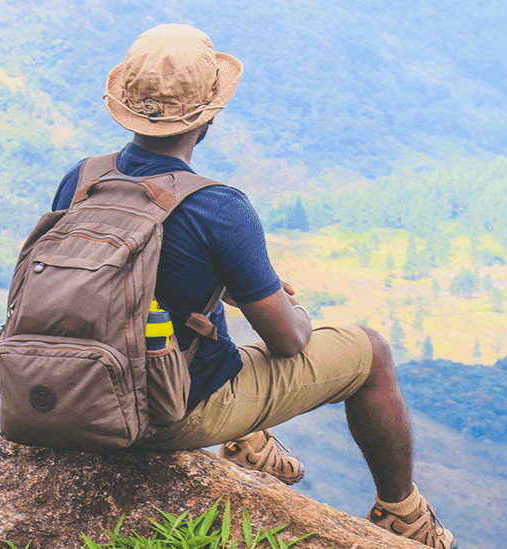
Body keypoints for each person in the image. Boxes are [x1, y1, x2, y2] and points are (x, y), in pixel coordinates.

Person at [52, 24, 456, 548]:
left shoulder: (81, 178)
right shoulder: (218, 206)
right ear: (209, 116)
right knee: (371, 353)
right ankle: (403, 514)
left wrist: (224, 286)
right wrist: (292, 309)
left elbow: (122, 283)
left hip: (70, 392)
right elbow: (287, 343)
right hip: (165, 414)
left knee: (199, 327)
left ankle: (250, 440)